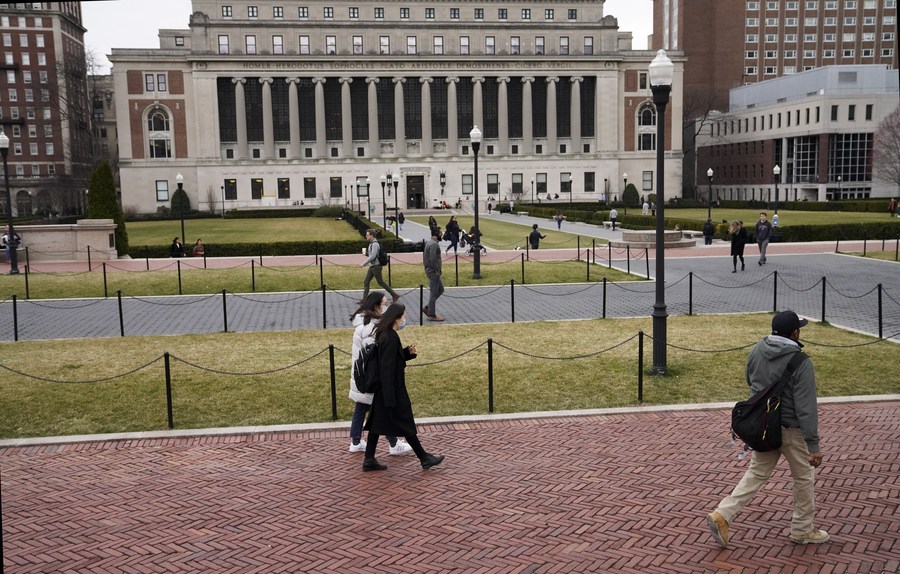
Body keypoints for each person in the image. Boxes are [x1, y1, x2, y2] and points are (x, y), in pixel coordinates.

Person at [707, 310, 828, 548]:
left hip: (763, 428)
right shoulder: (802, 362)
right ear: (795, 332)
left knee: (756, 474)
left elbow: (750, 380)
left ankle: (723, 514)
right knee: (803, 477)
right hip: (791, 430)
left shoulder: (757, 349)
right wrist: (813, 445)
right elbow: (806, 408)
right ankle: (802, 530)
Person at [362, 303, 445, 472]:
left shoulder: (385, 334)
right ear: (397, 318)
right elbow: (387, 368)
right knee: (406, 423)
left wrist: (406, 353)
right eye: (403, 316)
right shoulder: (390, 337)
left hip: (385, 390)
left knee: (377, 423)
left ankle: (369, 459)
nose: (404, 319)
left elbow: (391, 360)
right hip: (392, 390)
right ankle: (424, 458)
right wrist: (390, 397)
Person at [348, 292, 413, 456]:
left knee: (362, 407)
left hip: (361, 374)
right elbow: (377, 356)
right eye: (384, 304)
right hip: (371, 377)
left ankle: (356, 441)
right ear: (377, 306)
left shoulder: (363, 325)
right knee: (382, 410)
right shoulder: (372, 329)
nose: (386, 307)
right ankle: (392, 443)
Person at [359, 229, 399, 303]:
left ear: (372, 235)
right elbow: (372, 255)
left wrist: (363, 264)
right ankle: (364, 300)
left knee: (380, 282)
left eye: (367, 235)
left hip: (376, 266)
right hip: (372, 266)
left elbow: (373, 256)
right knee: (366, 282)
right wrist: (366, 254)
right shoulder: (372, 244)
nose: (366, 236)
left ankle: (394, 295)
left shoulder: (374, 244)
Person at [421, 226, 446, 321]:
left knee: (440, 289)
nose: (442, 235)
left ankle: (428, 307)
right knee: (434, 292)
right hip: (433, 271)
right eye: (440, 233)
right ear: (436, 233)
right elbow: (433, 259)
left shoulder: (430, 242)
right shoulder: (434, 245)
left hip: (431, 270)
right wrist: (437, 270)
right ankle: (432, 314)